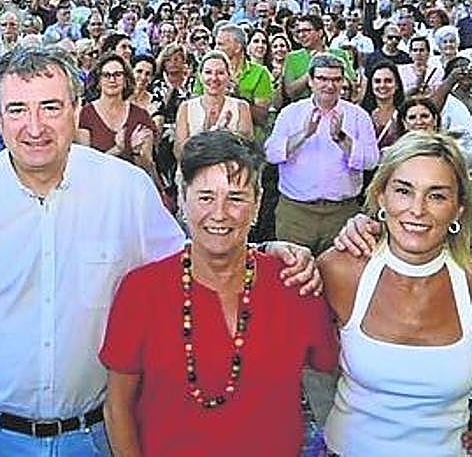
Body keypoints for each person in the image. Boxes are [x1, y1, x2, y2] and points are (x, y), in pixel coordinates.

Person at [0, 47, 316, 457]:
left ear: (76, 111)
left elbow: (186, 262)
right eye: (17, 110)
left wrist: (263, 250)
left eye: (51, 107)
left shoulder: (125, 189)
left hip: (96, 436)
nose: (34, 126)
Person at [101, 131, 338, 457]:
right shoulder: (141, 290)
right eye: (205, 197)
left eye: (236, 198)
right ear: (182, 201)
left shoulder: (295, 285)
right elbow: (117, 408)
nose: (220, 213)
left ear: (257, 203)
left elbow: (335, 364)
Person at [320, 132, 472, 455]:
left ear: (458, 209)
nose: (417, 210)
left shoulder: (469, 284)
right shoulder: (341, 270)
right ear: (381, 197)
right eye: (404, 191)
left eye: (436, 196)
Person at [265, 54, 380, 256]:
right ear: (310, 81)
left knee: (338, 279)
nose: (330, 85)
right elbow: (272, 155)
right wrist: (304, 134)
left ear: (343, 81)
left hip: (342, 213)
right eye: (323, 79)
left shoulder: (357, 115)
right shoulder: (290, 113)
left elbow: (371, 161)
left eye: (336, 79)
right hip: (296, 212)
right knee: (292, 276)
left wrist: (341, 138)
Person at [79, 52, 157, 182]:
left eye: (118, 75)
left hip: (133, 185)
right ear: (99, 81)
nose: (112, 80)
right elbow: (87, 170)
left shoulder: (141, 116)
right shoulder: (86, 114)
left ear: (126, 80)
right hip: (98, 186)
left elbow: (148, 169)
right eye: (106, 75)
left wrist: (137, 152)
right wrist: (118, 149)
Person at [175, 50, 254, 159]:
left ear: (228, 76)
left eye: (220, 73)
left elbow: (245, 149)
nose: (214, 78)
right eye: (208, 72)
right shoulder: (186, 108)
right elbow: (180, 152)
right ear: (200, 75)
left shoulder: (241, 107)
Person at [362, 61, 406, 150]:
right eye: (377, 81)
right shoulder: (361, 114)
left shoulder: (406, 113)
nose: (382, 85)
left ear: (397, 85)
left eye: (388, 81)